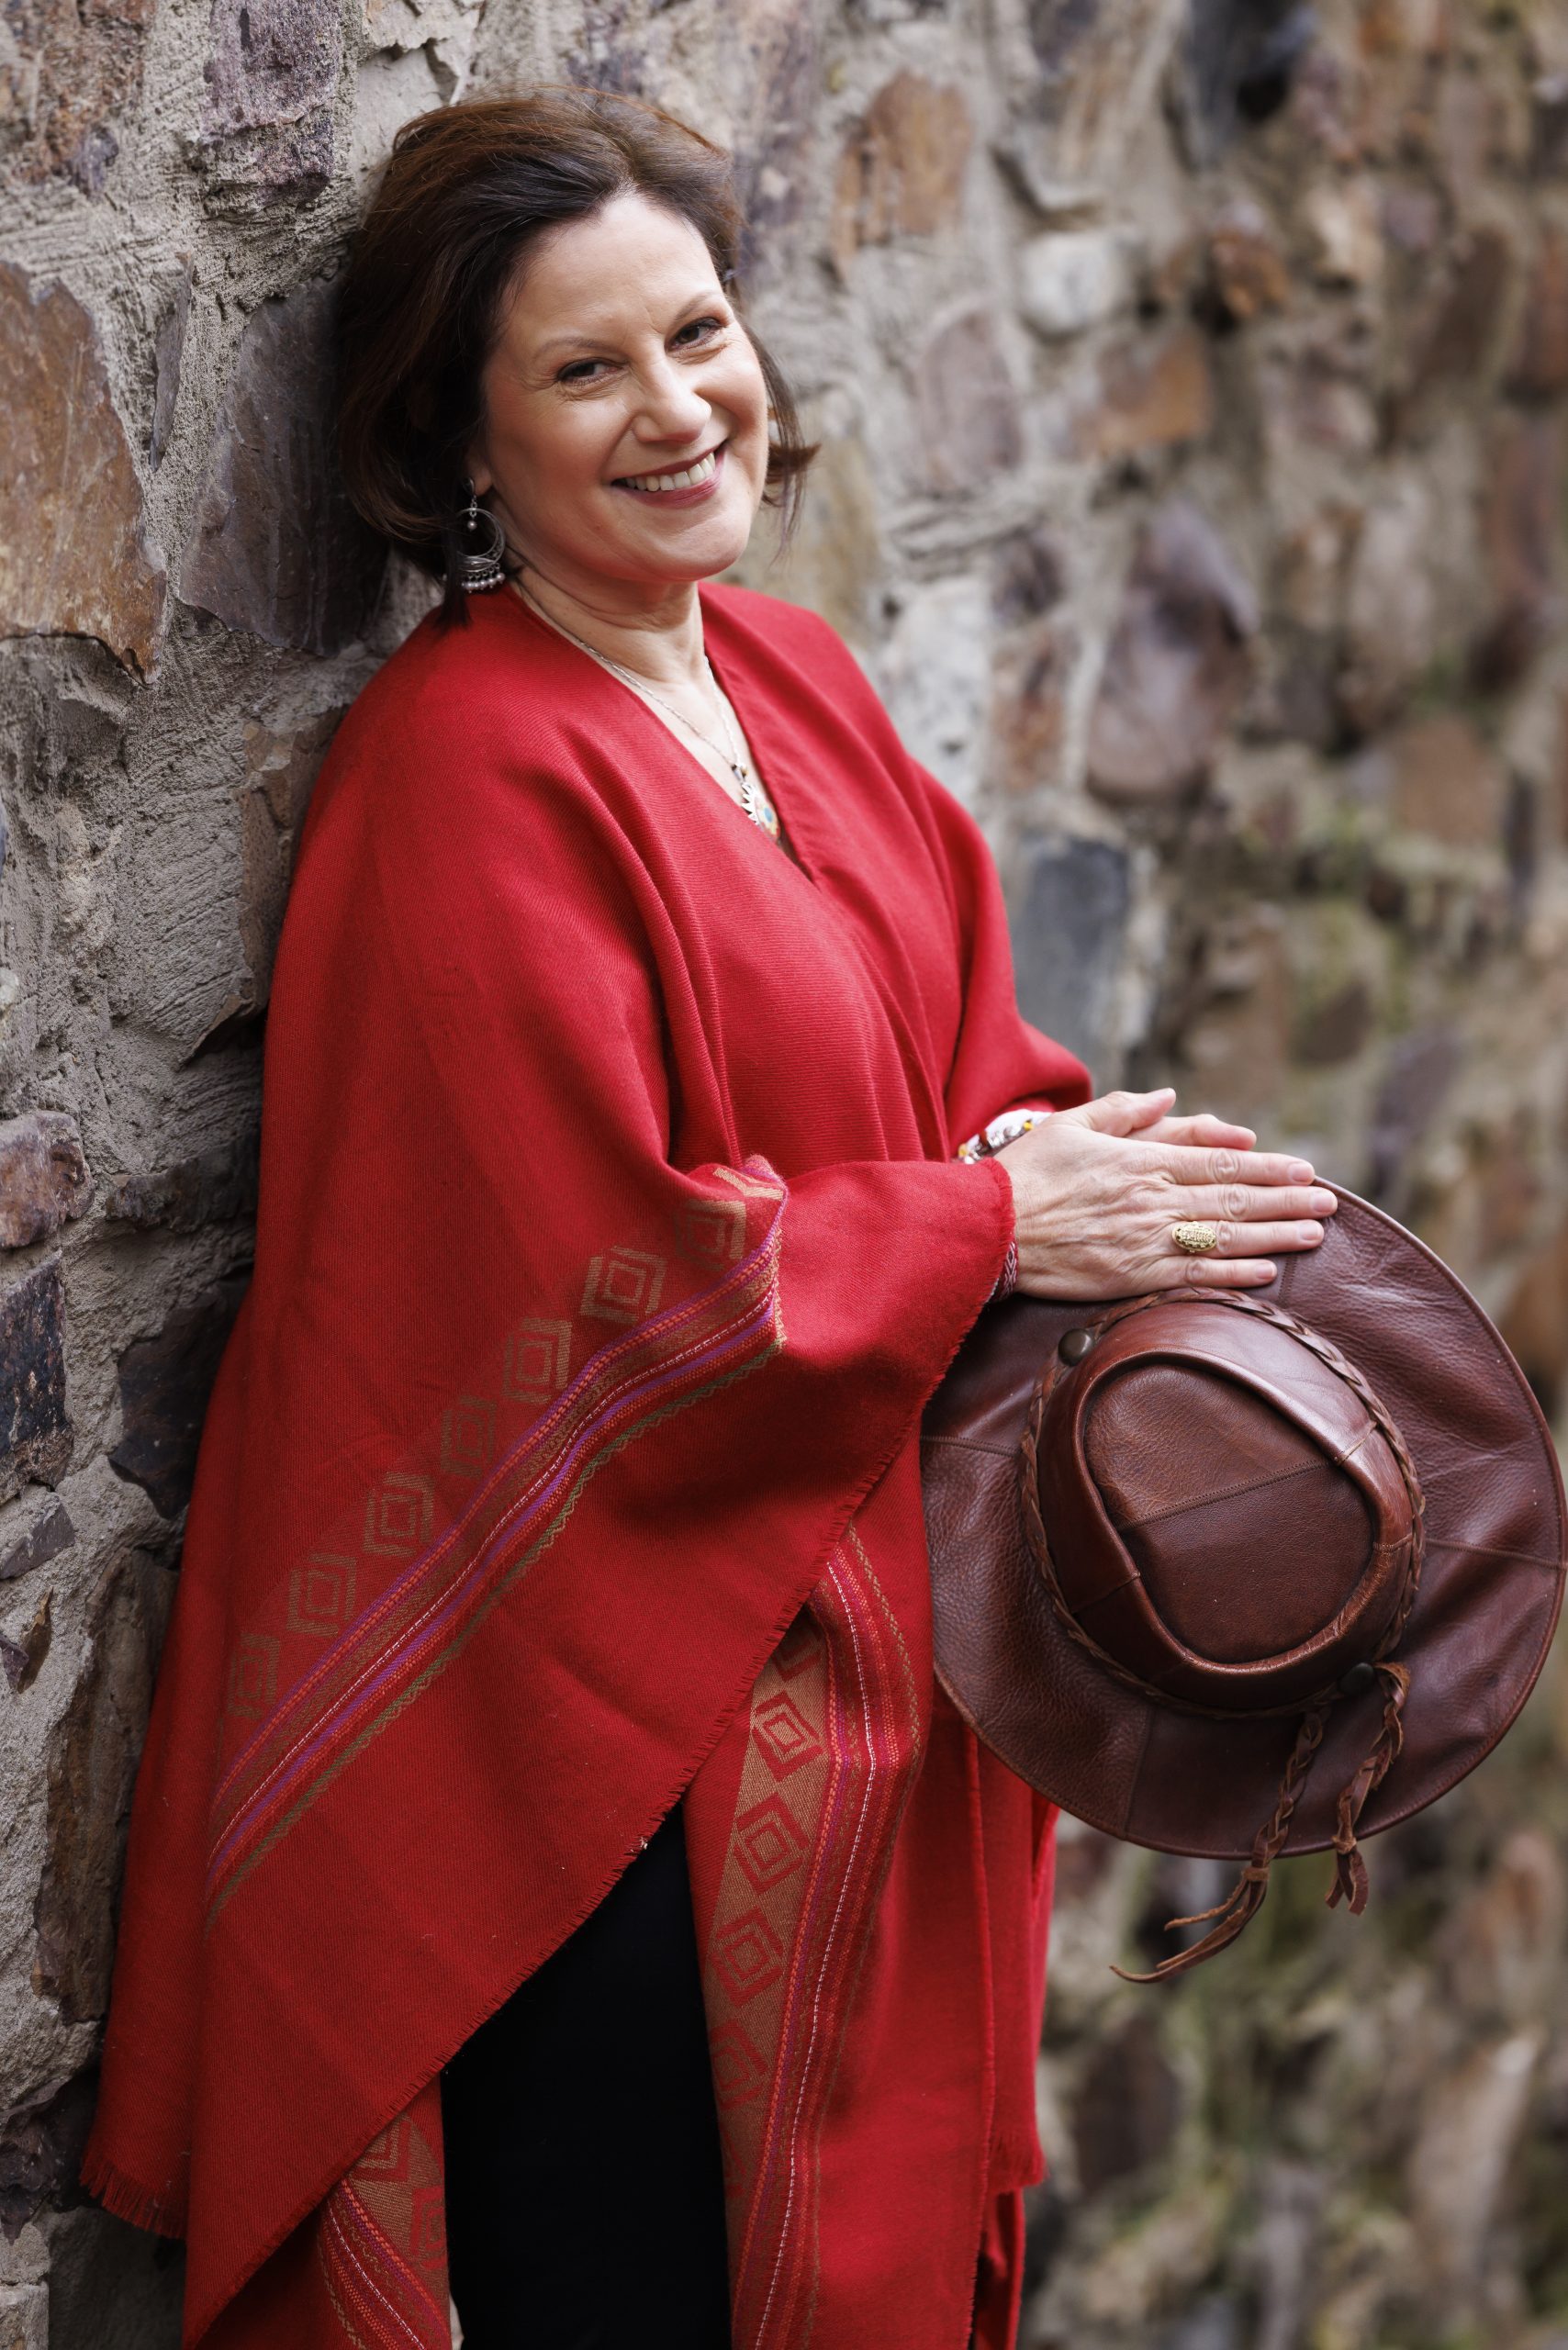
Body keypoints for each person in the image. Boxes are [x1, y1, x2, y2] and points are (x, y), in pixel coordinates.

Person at [83, 87, 1337, 2350]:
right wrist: (985, 1223)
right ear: (463, 446)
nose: (677, 409)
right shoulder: (460, 773)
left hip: (879, 1649)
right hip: (610, 1772)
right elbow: (604, 1294)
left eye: (696, 332)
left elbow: (960, 1065)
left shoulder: (787, 677)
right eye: (586, 370)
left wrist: (1080, 1171)